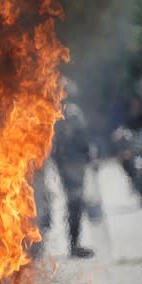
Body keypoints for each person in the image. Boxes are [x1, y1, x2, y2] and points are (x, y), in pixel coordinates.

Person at [52, 102, 95, 258]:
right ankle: (73, 245)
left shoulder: (70, 113)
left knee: (75, 206)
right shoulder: (69, 114)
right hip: (70, 169)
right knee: (74, 205)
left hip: (75, 167)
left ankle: (74, 244)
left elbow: (83, 142)